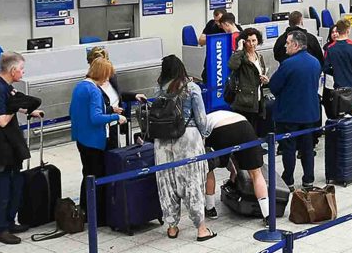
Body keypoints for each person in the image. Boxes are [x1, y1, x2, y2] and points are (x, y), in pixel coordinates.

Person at [134, 56, 215, 242]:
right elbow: (201, 119)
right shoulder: (191, 88)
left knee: (166, 182)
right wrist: (206, 134)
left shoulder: (159, 90)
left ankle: (172, 227)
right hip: (188, 138)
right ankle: (201, 229)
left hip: (161, 141)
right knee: (192, 182)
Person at [0, 51, 43, 245]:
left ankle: (9, 221)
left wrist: (30, 110)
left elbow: (13, 105)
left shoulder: (6, 87)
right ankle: (0, 229)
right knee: (2, 189)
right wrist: (16, 108)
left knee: (16, 183)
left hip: (10, 145)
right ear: (13, 70)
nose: (23, 73)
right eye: (21, 69)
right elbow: (2, 120)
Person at [70, 57, 127, 225]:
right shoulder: (94, 91)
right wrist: (116, 116)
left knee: (87, 174)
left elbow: (77, 111)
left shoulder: (80, 86)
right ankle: (98, 215)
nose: (108, 79)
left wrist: (108, 109)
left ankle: (86, 210)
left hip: (81, 138)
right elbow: (95, 118)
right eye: (107, 75)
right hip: (94, 140)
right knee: (98, 177)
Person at [267, 30, 322, 188]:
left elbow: (275, 86)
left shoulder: (288, 64)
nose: (285, 46)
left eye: (288, 43)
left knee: (289, 148)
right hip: (310, 113)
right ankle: (308, 179)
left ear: (296, 45)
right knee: (307, 148)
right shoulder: (315, 62)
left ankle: (289, 180)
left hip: (289, 114)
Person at [203, 109, 273, 220]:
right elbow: (233, 152)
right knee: (256, 172)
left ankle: (210, 209)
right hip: (244, 127)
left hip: (219, 129)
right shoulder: (225, 114)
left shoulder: (203, 120)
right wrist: (233, 170)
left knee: (208, 169)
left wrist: (231, 168)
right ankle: (268, 215)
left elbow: (222, 153)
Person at [227, 27, 269, 138]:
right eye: (248, 41)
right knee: (244, 133)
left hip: (257, 99)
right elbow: (232, 65)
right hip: (244, 101)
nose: (251, 44)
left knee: (254, 131)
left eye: (254, 40)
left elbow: (261, 72)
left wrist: (265, 80)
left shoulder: (259, 56)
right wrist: (239, 49)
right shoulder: (241, 56)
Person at [323, 18, 352, 104]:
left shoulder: (330, 48)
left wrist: (336, 72)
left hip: (339, 86)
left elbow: (326, 68)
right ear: (348, 30)